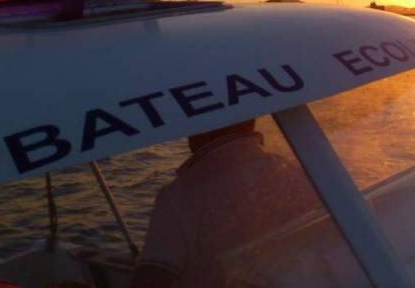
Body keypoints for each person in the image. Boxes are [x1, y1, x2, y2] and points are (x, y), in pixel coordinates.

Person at [130, 119, 319, 288]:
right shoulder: (299, 171)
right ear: (251, 120)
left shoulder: (179, 197)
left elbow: (151, 280)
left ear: (200, 127)